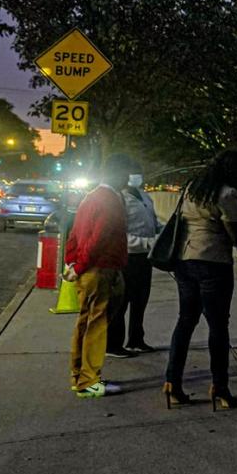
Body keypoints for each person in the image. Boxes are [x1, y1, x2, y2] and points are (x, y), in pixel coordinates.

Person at [164, 150, 237, 409]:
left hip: (184, 261)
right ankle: (220, 388)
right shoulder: (227, 195)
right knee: (218, 326)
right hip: (213, 265)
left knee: (185, 321)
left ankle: (172, 382)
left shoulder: (193, 188)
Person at [63, 153, 133, 399]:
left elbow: (75, 233)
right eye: (126, 173)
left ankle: (79, 376)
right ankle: (90, 381)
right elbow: (99, 238)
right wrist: (81, 265)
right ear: (118, 174)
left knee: (85, 323)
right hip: (101, 269)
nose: (129, 178)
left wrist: (72, 263)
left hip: (88, 269)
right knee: (97, 325)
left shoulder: (90, 197)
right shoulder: (110, 200)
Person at [107, 160, 159, 356]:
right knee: (121, 303)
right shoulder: (119, 198)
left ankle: (136, 339)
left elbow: (153, 222)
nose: (137, 176)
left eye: (139, 172)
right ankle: (113, 344)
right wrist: (147, 242)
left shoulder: (145, 196)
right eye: (133, 172)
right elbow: (119, 234)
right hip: (127, 257)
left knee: (140, 300)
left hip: (145, 258)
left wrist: (162, 232)